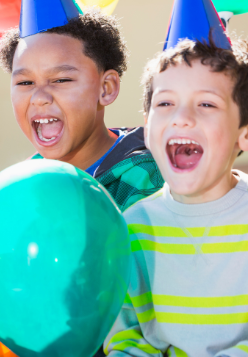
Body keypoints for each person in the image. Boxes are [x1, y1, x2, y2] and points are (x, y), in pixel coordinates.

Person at [104, 1, 248, 355]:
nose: (182, 117)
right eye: (166, 104)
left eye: (207, 104)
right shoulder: (132, 227)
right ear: (148, 127)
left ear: (243, 134)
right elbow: (124, 333)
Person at [0, 0, 164, 211]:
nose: (39, 97)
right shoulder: (22, 184)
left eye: (61, 80)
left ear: (106, 88)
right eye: (25, 83)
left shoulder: (148, 178)